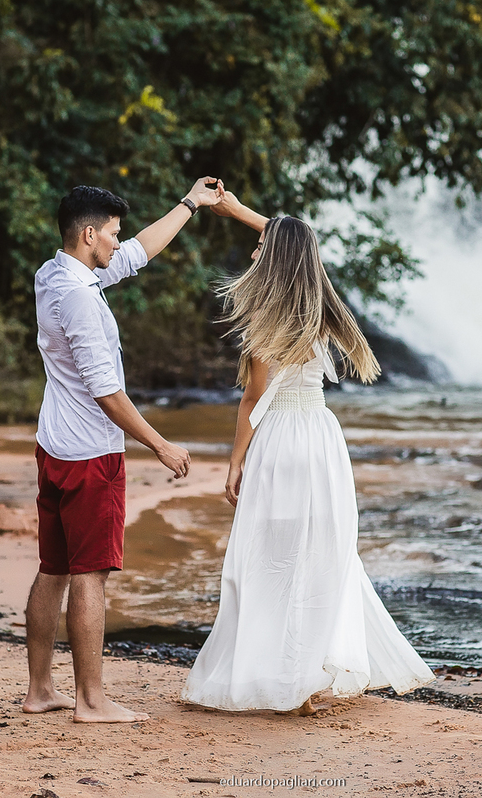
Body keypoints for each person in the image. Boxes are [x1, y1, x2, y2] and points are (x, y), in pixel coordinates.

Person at [181, 206, 435, 714]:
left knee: (267, 558)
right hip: (320, 443)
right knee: (322, 556)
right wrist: (240, 213)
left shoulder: (261, 322)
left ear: (273, 259)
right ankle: (309, 671)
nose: (254, 252)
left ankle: (273, 670)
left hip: (278, 444)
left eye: (261, 249)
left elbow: (252, 401)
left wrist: (235, 462)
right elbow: (301, 241)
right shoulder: (322, 312)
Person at [23, 179, 224, 723]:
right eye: (110, 234)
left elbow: (137, 254)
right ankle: (91, 700)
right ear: (89, 234)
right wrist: (161, 444)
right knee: (90, 575)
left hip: (54, 446)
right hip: (90, 455)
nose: (118, 241)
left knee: (54, 569)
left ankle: (40, 689)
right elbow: (107, 391)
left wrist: (189, 204)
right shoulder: (83, 298)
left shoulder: (55, 272)